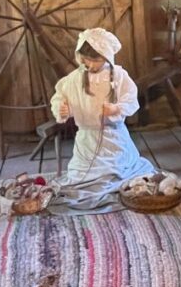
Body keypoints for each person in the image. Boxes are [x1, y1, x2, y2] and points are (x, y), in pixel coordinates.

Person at [50, 27, 154, 184]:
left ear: (106, 57)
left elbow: (131, 98)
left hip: (114, 137)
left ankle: (117, 175)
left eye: (95, 60)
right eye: (86, 60)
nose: (90, 64)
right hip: (87, 141)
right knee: (83, 178)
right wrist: (63, 109)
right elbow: (60, 96)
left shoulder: (118, 75)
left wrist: (117, 108)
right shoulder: (74, 79)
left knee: (119, 173)